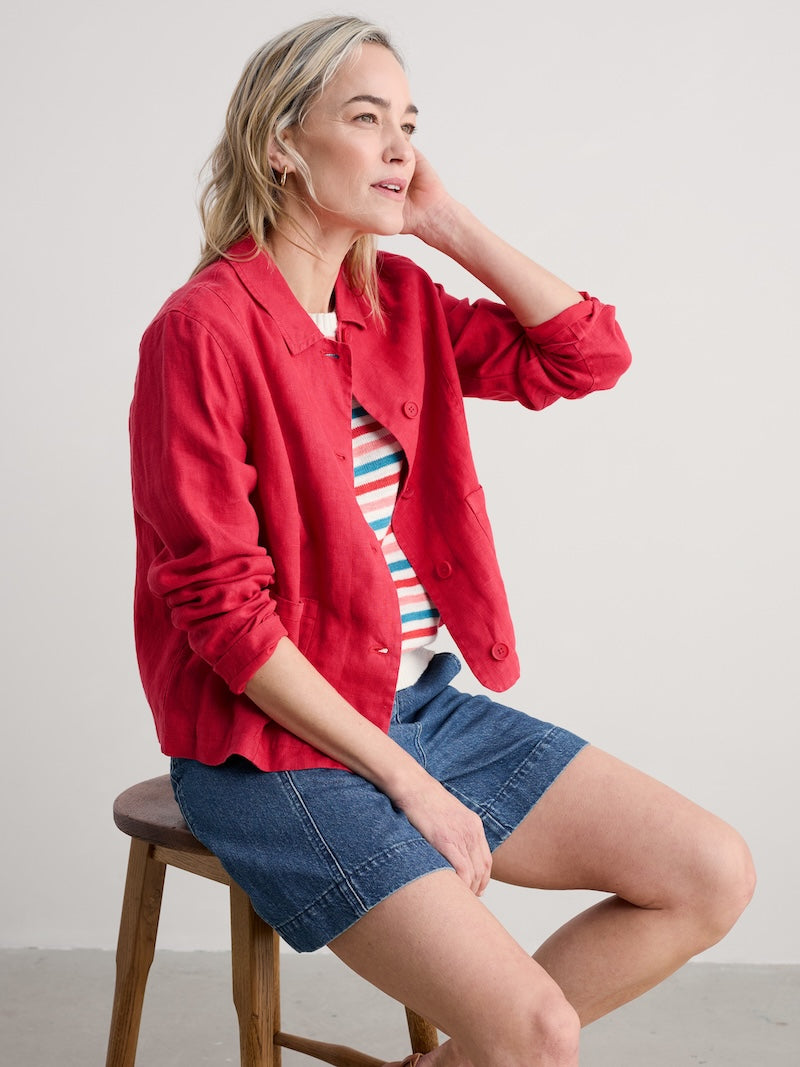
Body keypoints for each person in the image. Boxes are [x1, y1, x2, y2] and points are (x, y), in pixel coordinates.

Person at [129, 15, 754, 1067]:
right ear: (280, 143)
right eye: (364, 119)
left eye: (408, 125)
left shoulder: (396, 300)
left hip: (418, 704)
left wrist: (445, 221)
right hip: (269, 747)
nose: (395, 148)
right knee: (538, 1033)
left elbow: (585, 356)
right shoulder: (201, 330)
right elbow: (224, 617)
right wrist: (412, 786)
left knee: (710, 870)